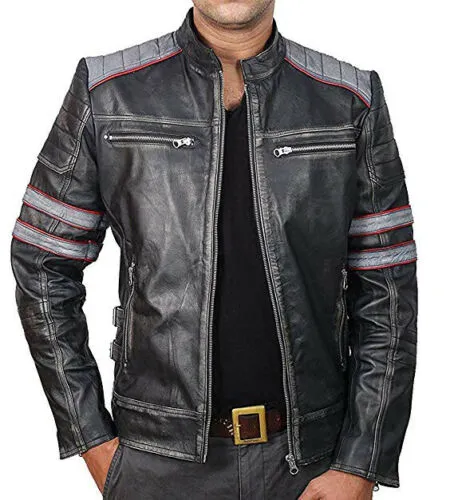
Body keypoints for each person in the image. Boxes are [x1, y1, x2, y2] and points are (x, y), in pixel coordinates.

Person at [10, 1, 418, 499]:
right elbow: (42, 262)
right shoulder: (107, 92)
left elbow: (388, 289)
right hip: (155, 464)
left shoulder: (350, 98)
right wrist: (92, 438)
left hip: (311, 464)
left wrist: (361, 461)